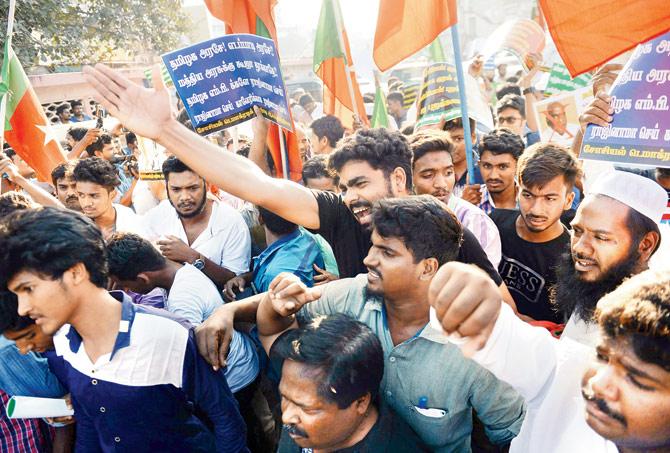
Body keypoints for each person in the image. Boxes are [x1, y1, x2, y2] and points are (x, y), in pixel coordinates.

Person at [256, 197, 525, 451]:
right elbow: (288, 312)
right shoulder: (353, 293)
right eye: (373, 246)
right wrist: (230, 312)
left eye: (386, 252)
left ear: (428, 268)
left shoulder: (477, 344)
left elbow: (513, 435)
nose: (368, 259)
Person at [0, 208, 248, 452]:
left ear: (75, 273)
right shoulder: (64, 344)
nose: (22, 308)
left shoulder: (168, 335)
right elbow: (90, 423)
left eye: (28, 289)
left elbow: (227, 422)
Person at [428, 260, 670, 453]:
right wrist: (471, 299)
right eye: (602, 355)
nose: (599, 383)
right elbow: (500, 336)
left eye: (636, 380)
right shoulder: (565, 375)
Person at [269, 313, 429, 452]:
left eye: (307, 409)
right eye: (285, 398)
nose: (286, 417)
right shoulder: (299, 387)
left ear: (361, 402)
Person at [555, 170, 666, 345]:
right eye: (577, 231)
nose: (579, 248)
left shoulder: (650, 328)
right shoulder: (596, 281)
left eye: (601, 237)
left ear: (645, 245)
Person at [491, 143, 579, 323]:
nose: (536, 209)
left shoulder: (573, 257)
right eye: (528, 195)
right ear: (517, 191)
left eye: (549, 198)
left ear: (568, 200)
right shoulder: (493, 224)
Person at [143, 156, 251, 289]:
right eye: (176, 190)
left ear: (207, 185)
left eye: (193, 188)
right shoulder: (158, 215)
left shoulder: (231, 221)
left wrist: (193, 257)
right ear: (167, 188)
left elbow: (233, 280)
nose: (185, 197)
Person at [409, 130, 502, 267]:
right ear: (409, 178)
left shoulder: (474, 221)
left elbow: (482, 283)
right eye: (428, 175)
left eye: (448, 173)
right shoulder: (401, 219)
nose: (441, 184)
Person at [225, 206, 324, 297]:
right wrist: (245, 278)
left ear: (260, 218)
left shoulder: (274, 278)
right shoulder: (308, 238)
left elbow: (267, 313)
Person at [72, 157, 145, 238]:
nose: (86, 203)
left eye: (94, 196)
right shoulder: (76, 231)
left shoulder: (134, 225)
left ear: (112, 194)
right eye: (81, 195)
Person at [477, 128, 524, 214]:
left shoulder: (530, 203)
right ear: (479, 165)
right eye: (487, 166)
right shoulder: (469, 204)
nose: (493, 176)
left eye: (502, 167)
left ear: (518, 166)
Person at [441, 117, 483, 205]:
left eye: (458, 139)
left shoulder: (484, 172)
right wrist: (463, 204)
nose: (453, 145)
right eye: (447, 139)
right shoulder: (438, 175)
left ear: (473, 138)